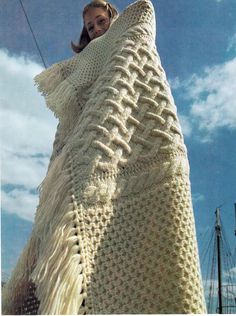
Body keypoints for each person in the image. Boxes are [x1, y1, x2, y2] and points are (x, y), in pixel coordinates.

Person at [2, 0, 207, 314]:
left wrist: (117, 29)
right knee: (77, 257)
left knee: (144, 242)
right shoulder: (83, 65)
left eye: (101, 21)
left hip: (135, 149)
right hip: (86, 156)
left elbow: (143, 11)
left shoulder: (128, 39)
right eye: (90, 27)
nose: (97, 29)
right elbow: (69, 124)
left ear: (114, 17)